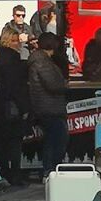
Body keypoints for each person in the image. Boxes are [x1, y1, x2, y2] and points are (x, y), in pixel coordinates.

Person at [28, 30, 69, 178]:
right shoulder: (42, 62)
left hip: (45, 105)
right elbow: (52, 84)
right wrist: (65, 85)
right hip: (49, 106)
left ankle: (50, 170)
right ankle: (50, 171)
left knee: (52, 140)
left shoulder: (39, 60)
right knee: (56, 140)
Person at [0, 26, 29, 187]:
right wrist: (25, 107)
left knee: (2, 142)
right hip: (13, 105)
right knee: (15, 142)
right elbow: (16, 87)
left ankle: (5, 172)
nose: (17, 44)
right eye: (13, 41)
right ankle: (15, 175)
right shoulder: (14, 60)